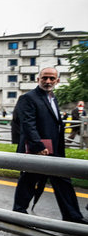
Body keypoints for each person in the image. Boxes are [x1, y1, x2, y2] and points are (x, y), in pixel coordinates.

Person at [12, 67, 86, 223]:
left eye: (52, 78)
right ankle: (18, 213)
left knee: (63, 181)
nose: (48, 81)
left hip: (54, 149)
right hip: (37, 149)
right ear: (38, 79)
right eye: (44, 78)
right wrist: (38, 146)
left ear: (57, 80)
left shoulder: (52, 98)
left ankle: (73, 216)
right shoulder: (28, 98)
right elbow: (27, 124)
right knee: (29, 180)